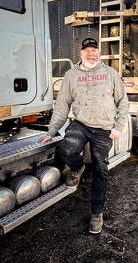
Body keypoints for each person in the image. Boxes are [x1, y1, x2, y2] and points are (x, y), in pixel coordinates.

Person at [39, 37, 129, 234]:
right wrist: (52, 131)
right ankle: (77, 168)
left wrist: (118, 127)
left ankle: (97, 213)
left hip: (104, 128)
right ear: (80, 54)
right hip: (81, 124)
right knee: (66, 148)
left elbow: (123, 102)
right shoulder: (71, 75)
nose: (91, 54)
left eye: (94, 50)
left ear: (99, 53)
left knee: (100, 170)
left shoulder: (110, 73)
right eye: (87, 51)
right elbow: (62, 104)